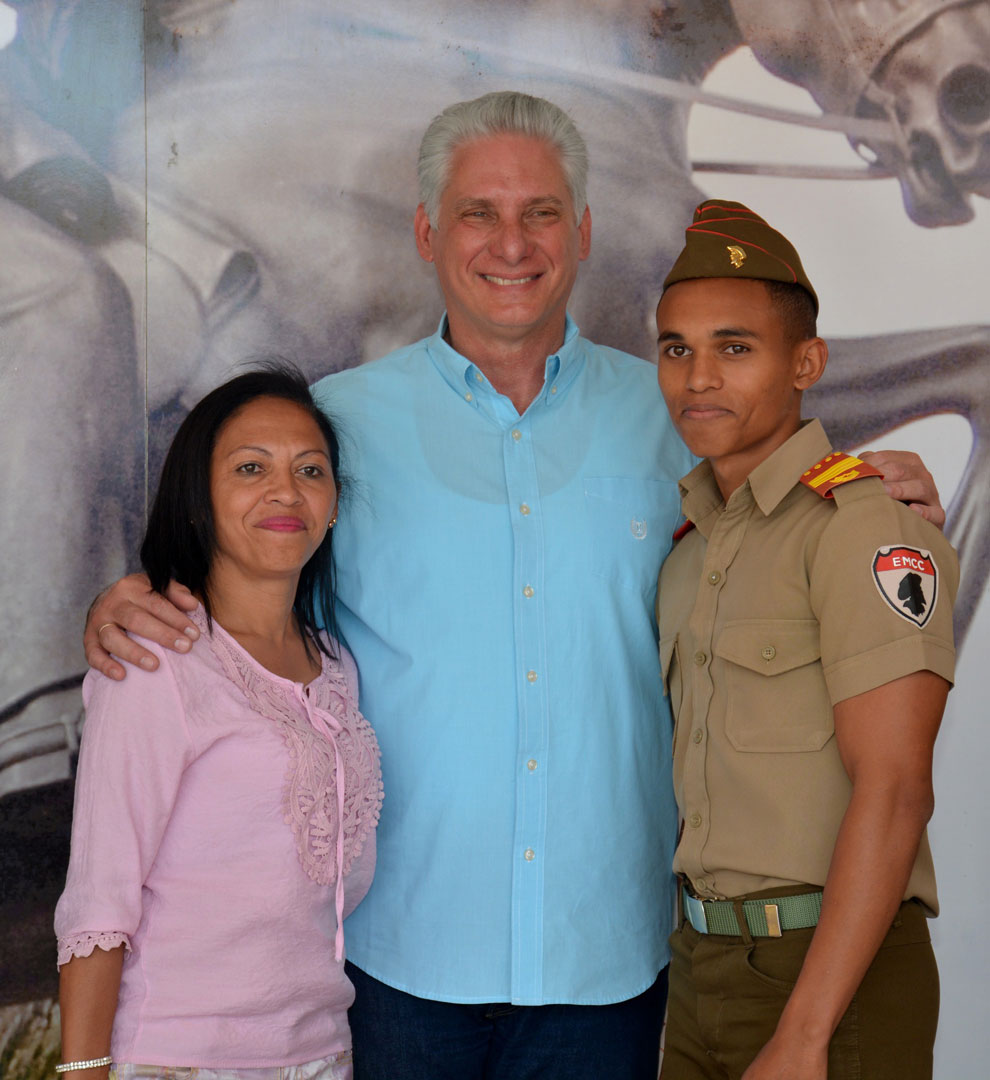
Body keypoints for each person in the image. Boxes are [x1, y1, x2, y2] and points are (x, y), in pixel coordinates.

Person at [83, 93, 945, 1080]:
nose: (511, 242)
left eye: (540, 212)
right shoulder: (331, 428)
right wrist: (137, 598)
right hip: (394, 960)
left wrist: (879, 484)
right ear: (425, 232)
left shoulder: (674, 415)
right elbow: (241, 611)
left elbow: (794, 516)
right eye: (477, 213)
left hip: (610, 963)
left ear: (581, 233)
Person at [653, 200, 957, 1079]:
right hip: (706, 963)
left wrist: (805, 1032)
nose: (698, 376)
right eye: (677, 349)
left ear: (806, 363)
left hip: (830, 975)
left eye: (734, 347)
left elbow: (896, 789)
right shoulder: (689, 555)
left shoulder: (863, 528)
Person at [56, 364, 382, 1080]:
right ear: (199, 498)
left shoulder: (335, 669)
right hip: (179, 1059)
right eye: (249, 467)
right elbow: (98, 901)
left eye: (310, 469)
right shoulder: (155, 663)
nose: (284, 491)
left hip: (321, 1055)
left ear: (333, 503)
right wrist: (82, 1070)